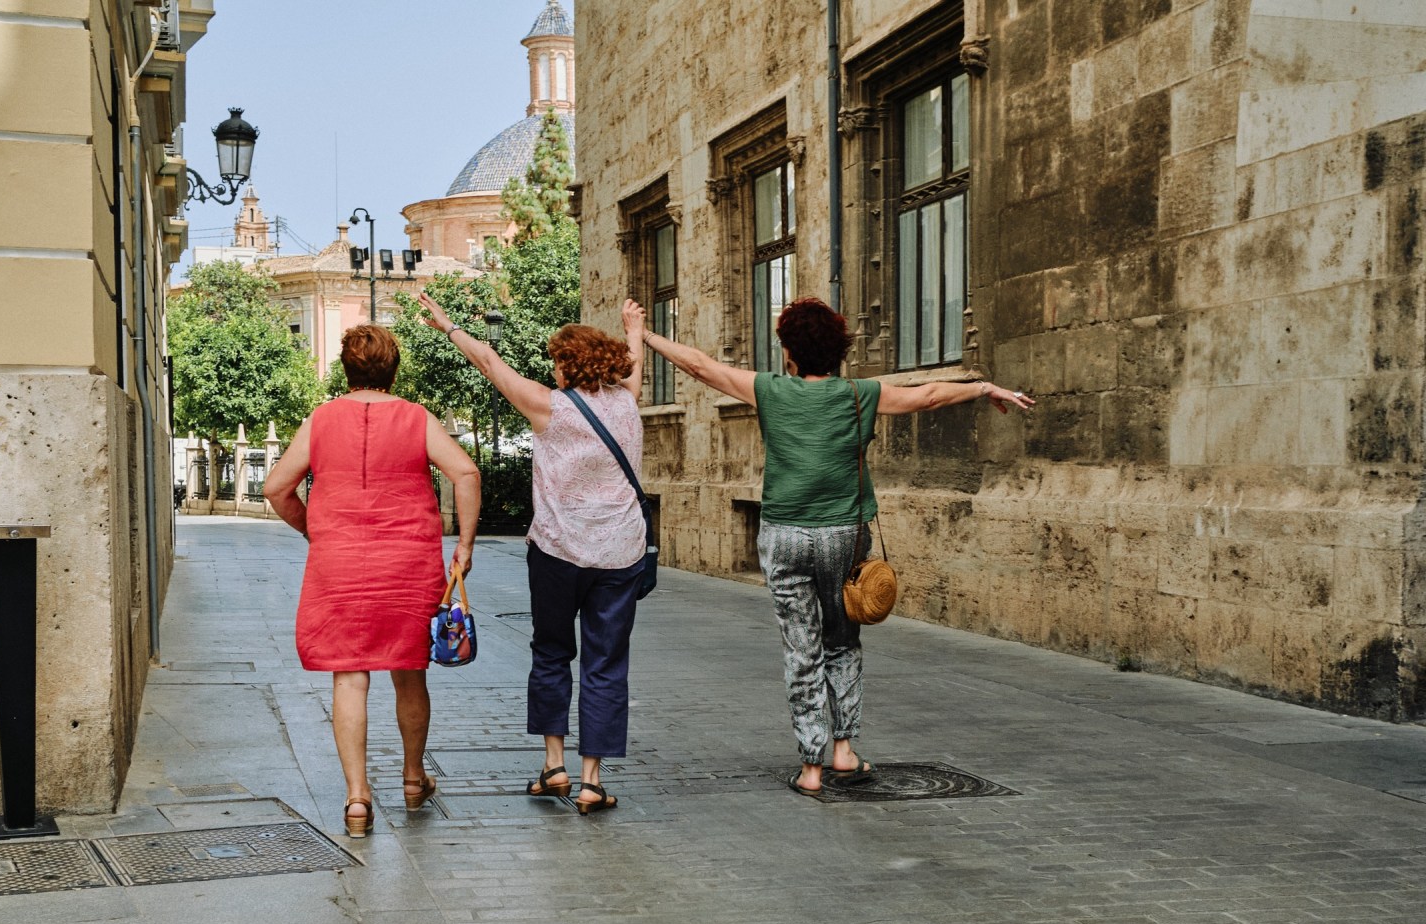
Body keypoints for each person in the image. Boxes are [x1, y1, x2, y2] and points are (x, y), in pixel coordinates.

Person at [635, 296, 1034, 797]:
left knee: (801, 650)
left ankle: (810, 766)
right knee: (842, 640)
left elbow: (700, 366)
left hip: (784, 535)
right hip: (844, 535)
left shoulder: (770, 390)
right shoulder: (858, 394)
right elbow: (928, 395)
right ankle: (844, 749)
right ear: (840, 351)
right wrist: (984, 387)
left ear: (789, 352)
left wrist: (645, 335)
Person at [417, 293, 646, 815]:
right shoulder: (628, 402)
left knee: (550, 653)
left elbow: (490, 362)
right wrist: (632, 328)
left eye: (556, 361)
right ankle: (592, 781)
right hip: (620, 554)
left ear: (568, 363)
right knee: (606, 664)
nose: (553, 369)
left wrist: (450, 327)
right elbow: (633, 374)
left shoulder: (550, 406)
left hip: (558, 553)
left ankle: (554, 765)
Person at [264, 325, 481, 837]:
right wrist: (465, 547)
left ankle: (357, 798)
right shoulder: (414, 417)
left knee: (350, 673)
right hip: (407, 562)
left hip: (338, 563)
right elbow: (466, 473)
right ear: (392, 368)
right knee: (409, 671)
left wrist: (314, 530)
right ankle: (411, 778)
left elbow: (276, 487)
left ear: (346, 366)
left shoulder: (320, 419)